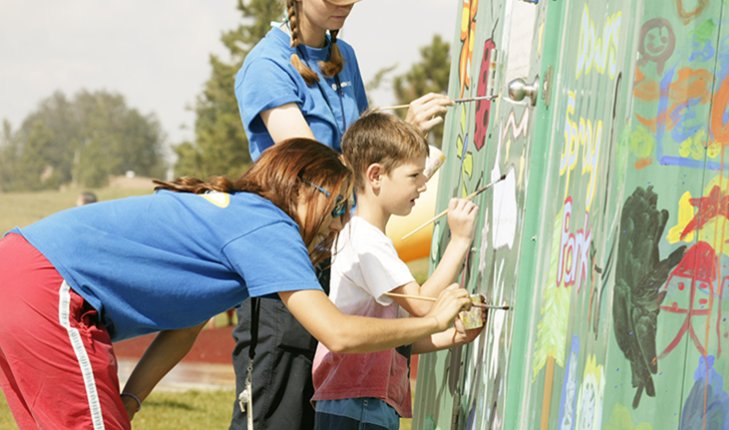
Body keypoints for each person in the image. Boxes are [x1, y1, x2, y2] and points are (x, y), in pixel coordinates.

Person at [0, 138, 473, 429]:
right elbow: (339, 334)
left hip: (19, 274)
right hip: (46, 289)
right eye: (338, 208)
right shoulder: (269, 227)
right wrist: (430, 319)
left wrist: (131, 400)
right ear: (307, 188)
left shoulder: (239, 216)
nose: (338, 223)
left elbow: (185, 325)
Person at [232, 0, 454, 427]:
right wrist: (404, 140)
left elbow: (361, 151)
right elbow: (314, 172)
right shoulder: (266, 67)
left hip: (338, 258)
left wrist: (402, 138)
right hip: (288, 259)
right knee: (278, 407)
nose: (345, 5)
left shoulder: (344, 56)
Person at [311, 111, 483, 430]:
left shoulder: (365, 236)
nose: (422, 185)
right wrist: (459, 241)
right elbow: (421, 307)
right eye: (415, 176)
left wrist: (452, 336)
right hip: (359, 401)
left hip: (361, 399)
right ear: (376, 175)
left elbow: (393, 339)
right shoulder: (366, 240)